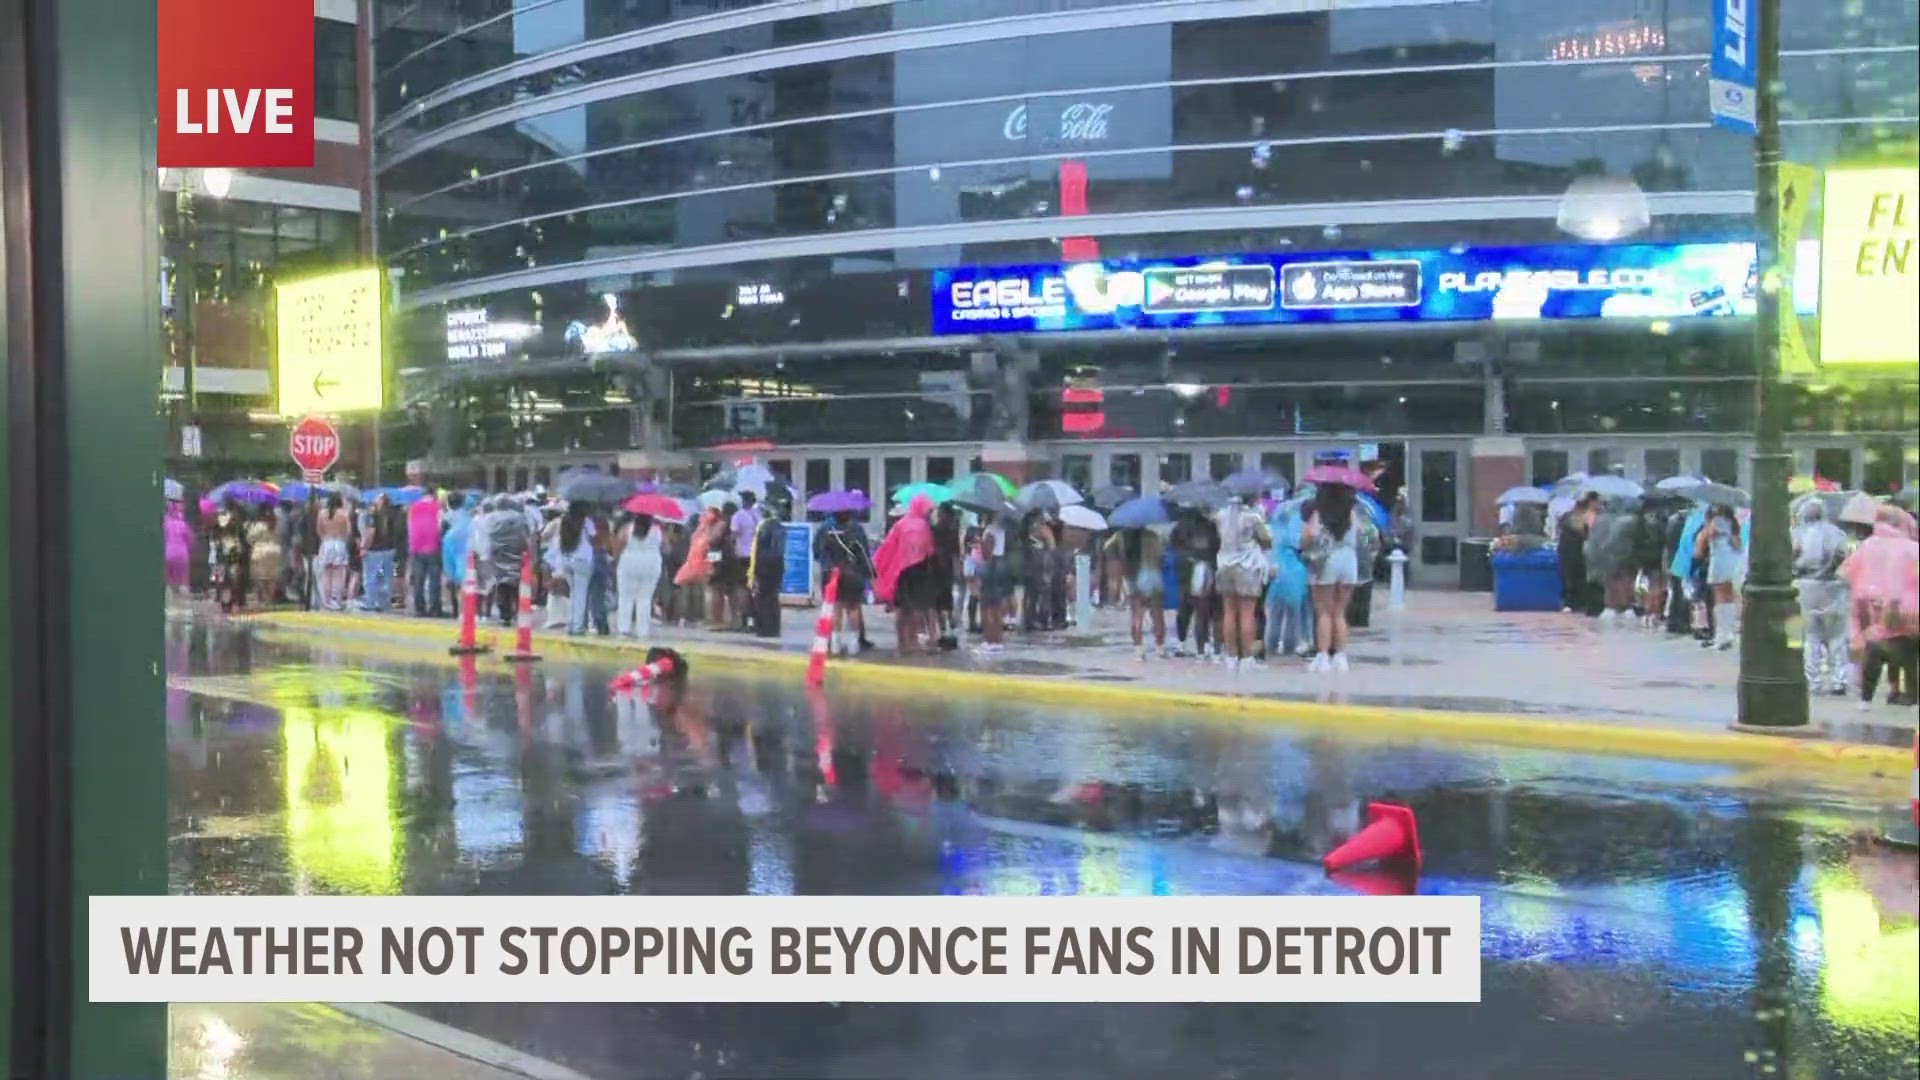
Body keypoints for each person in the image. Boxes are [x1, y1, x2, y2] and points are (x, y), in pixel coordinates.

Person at [1841, 503, 1919, 710]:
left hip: (1874, 608)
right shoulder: (1913, 548)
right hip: (1910, 611)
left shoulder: (1868, 545)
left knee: (1875, 649)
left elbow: (1845, 573)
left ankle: (1866, 699)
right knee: (1908, 651)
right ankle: (1910, 696)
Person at [1792, 499, 1853, 696]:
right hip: (1833, 586)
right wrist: (1826, 571)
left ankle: (1813, 681)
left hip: (1805, 585)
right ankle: (1839, 680)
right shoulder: (1837, 533)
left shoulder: (1797, 533)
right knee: (1836, 636)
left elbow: (1791, 556)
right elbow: (1842, 556)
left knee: (1811, 637)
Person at [1301, 484, 1362, 673]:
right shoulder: (1351, 515)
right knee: (1339, 612)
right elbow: (1361, 533)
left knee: (1324, 612)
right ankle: (1341, 657)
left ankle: (1323, 656)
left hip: (1326, 561)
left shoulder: (1320, 513)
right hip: (1348, 562)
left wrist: (1305, 542)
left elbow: (1309, 535)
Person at [1213, 495, 1272, 672]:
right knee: (1247, 613)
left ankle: (1231, 657)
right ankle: (1246, 658)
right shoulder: (1253, 517)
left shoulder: (1221, 514)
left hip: (1224, 565)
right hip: (1247, 566)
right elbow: (1267, 541)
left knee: (1229, 612)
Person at [873, 493, 938, 655]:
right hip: (919, 570)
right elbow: (929, 550)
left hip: (901, 572)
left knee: (901, 608)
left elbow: (888, 547)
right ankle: (913, 641)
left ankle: (901, 643)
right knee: (916, 608)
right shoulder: (923, 526)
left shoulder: (901, 524)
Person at [816, 510, 874, 655]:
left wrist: (828, 566)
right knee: (853, 608)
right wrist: (870, 575)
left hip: (832, 574)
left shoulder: (824, 529)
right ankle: (854, 644)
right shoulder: (857, 529)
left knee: (836, 608)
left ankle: (835, 644)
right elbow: (864, 553)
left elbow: (817, 551)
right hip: (852, 573)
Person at [1106, 524, 1167, 659]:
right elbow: (1161, 557)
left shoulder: (1119, 538)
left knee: (1136, 615)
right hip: (1152, 575)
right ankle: (1160, 648)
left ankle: (1139, 650)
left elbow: (1111, 555)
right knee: (1157, 615)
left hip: (1132, 578)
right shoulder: (1152, 535)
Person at [1264, 500, 1313, 661]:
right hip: (1294, 570)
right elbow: (1299, 544)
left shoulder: (1274, 528)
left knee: (1275, 612)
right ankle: (1288, 647)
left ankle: (1271, 646)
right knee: (1292, 612)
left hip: (1276, 569)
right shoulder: (1297, 523)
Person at [1170, 507, 1219, 658]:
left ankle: (1181, 643)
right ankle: (1202, 647)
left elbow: (1173, 544)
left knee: (1184, 607)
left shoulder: (1179, 527)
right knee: (1203, 609)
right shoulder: (1209, 526)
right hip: (1204, 567)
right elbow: (1216, 545)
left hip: (1184, 567)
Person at [1695, 502, 1745, 650]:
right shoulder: (1733, 525)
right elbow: (1738, 546)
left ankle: (1721, 635)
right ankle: (1730, 633)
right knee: (1731, 598)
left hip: (1718, 562)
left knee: (1720, 600)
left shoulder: (1710, 527)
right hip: (1733, 562)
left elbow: (1697, 551)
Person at [614, 512, 663, 639]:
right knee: (645, 598)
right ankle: (642, 631)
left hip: (629, 562)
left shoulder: (626, 529)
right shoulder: (657, 530)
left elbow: (618, 547)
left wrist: (616, 560)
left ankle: (624, 628)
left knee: (625, 597)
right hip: (651, 563)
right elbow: (666, 548)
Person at [675, 507, 720, 627]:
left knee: (687, 593)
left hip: (691, 565)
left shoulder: (696, 533)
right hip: (702, 566)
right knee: (699, 594)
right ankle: (696, 618)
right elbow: (713, 550)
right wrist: (713, 566)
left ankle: (684, 617)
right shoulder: (711, 532)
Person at [558, 502, 598, 636]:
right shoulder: (586, 521)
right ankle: (578, 626)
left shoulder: (564, 520)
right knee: (581, 594)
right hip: (583, 559)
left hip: (567, 558)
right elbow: (594, 535)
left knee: (573, 593)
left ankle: (570, 623)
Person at [748, 504, 787, 638]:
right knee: (773, 598)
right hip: (778, 566)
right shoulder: (781, 528)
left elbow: (760, 551)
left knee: (762, 598)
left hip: (765, 567)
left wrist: (755, 571)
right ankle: (774, 628)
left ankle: (764, 628)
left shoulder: (763, 528)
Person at [408, 488, 445, 617]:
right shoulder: (438, 507)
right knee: (434, 579)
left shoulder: (413, 507)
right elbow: (440, 526)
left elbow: (410, 525)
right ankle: (435, 609)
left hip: (416, 546)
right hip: (432, 546)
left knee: (418, 578)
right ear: (433, 495)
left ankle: (419, 609)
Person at [209, 498, 251, 613]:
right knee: (232, 578)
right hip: (233, 550)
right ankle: (233, 603)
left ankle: (226, 603)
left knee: (223, 579)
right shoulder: (236, 519)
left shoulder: (221, 518)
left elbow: (215, 534)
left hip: (224, 551)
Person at [360, 493, 400, 613]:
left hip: (374, 549)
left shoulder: (373, 515)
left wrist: (364, 546)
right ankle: (384, 602)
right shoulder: (393, 514)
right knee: (387, 577)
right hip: (389, 549)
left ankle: (370, 602)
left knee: (370, 577)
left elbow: (371, 532)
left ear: (380, 501)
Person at [728, 491, 761, 630]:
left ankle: (743, 619)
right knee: (754, 587)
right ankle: (755, 619)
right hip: (756, 555)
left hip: (742, 555)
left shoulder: (738, 516)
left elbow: (734, 536)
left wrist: (730, 549)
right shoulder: (758, 515)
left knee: (742, 588)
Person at [930, 503, 961, 648]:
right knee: (947, 602)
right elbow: (956, 554)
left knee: (939, 603)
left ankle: (943, 632)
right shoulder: (953, 530)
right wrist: (956, 570)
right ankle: (951, 631)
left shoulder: (935, 530)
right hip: (946, 569)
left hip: (937, 569)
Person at [315, 493, 352, 611]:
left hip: (326, 543)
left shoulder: (322, 514)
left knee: (326, 574)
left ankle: (326, 601)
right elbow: (349, 531)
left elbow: (319, 530)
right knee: (339, 574)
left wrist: (325, 537)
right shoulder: (344, 514)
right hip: (339, 543)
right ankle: (338, 600)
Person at [441, 493, 473, 616]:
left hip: (448, 546)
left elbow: (441, 532)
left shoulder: (446, 516)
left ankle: (455, 608)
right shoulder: (468, 516)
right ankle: (463, 609)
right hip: (464, 549)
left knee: (450, 578)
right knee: (462, 579)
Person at [246, 505, 281, 609]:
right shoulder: (276, 524)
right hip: (275, 551)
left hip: (260, 552)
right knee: (272, 579)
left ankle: (263, 600)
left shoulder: (258, 526)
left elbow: (249, 539)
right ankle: (270, 601)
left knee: (260, 578)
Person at [164, 498, 192, 599]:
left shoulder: (165, 523)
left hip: (167, 552)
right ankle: (183, 596)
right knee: (182, 576)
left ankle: (169, 593)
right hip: (182, 553)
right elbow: (189, 539)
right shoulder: (183, 524)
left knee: (169, 575)